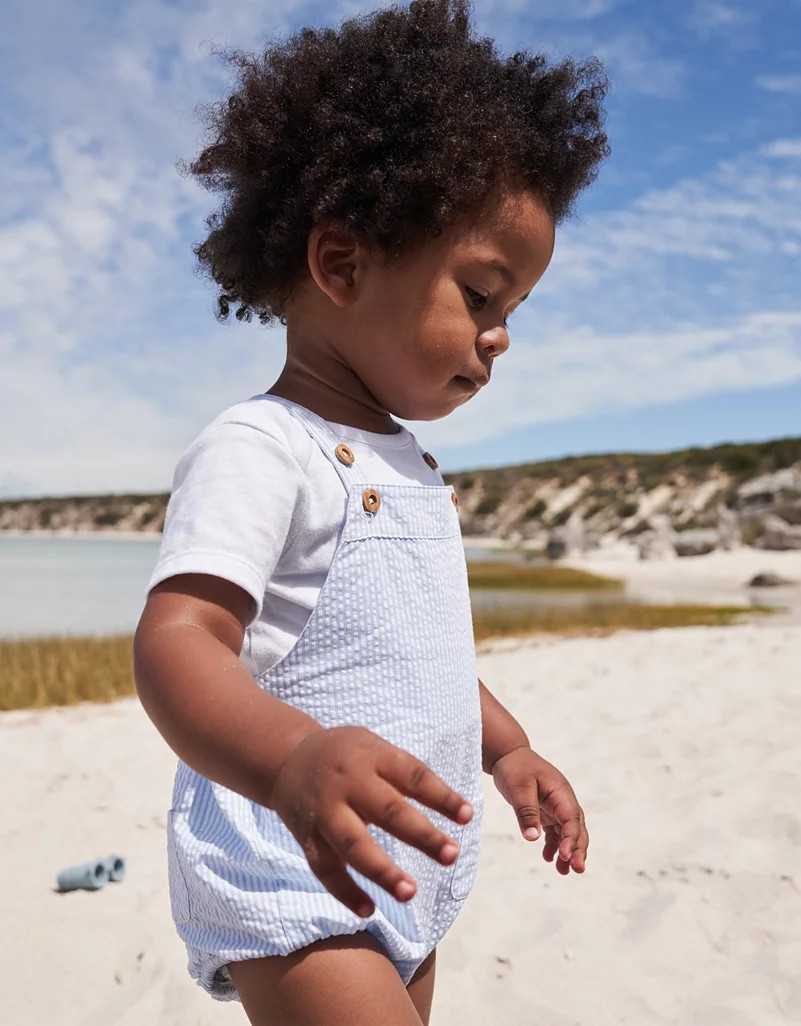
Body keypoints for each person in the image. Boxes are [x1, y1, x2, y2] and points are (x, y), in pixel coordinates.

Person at [133, 2, 609, 1022]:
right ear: (342, 264)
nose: (499, 337)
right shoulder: (263, 448)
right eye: (482, 296)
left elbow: (423, 648)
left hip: (410, 871)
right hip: (293, 864)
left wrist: (509, 747)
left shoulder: (412, 464)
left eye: (513, 312)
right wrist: (291, 757)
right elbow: (178, 640)